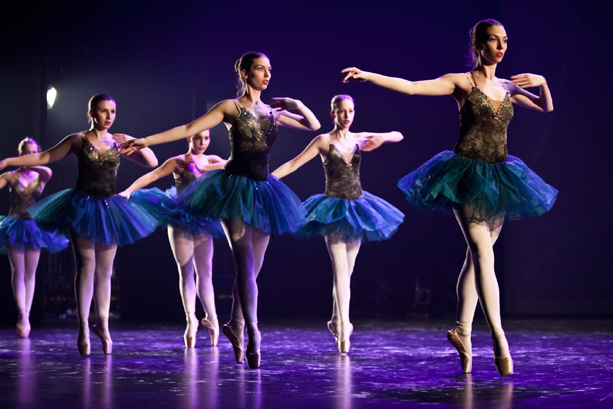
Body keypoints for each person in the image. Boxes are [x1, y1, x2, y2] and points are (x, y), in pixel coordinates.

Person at [342, 19, 557, 376]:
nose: (501, 46)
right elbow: (412, 87)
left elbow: (546, 107)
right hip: (465, 175)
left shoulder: (507, 86)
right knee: (482, 254)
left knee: (477, 259)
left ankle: (461, 330)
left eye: (505, 40)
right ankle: (500, 339)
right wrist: (369, 75)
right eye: (493, 40)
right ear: (478, 45)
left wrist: (544, 82)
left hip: (501, 175)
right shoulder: (462, 82)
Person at [121, 52, 321, 368]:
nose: (267, 74)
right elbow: (188, 128)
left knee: (253, 271)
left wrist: (296, 103)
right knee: (244, 263)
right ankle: (253, 331)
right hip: (233, 189)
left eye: (269, 69)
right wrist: (145, 139)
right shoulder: (231, 107)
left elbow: (314, 124)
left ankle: (235, 324)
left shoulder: (272, 111)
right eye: (259, 69)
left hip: (265, 191)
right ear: (244, 72)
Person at [0, 94, 159, 356]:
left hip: (109, 209)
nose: (109, 116)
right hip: (81, 207)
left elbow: (151, 162)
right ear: (92, 112)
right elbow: (45, 157)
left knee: (106, 272)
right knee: (86, 266)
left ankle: (103, 325)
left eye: (113, 111)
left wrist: (135, 141)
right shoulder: (78, 139)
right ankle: (84, 326)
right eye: (104, 111)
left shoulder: (118, 143)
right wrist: (9, 162)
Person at [272, 94, 404, 354]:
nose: (347, 116)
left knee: (347, 273)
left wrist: (382, 138)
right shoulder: (323, 141)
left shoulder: (358, 139)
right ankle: (344, 328)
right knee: (341, 273)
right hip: (332, 210)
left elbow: (398, 134)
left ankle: (335, 319)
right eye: (342, 111)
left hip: (357, 208)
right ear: (332, 114)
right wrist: (270, 179)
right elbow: (294, 163)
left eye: (351, 111)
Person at [119, 130, 226, 348]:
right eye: (197, 138)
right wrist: (129, 190)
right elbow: (152, 175)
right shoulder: (177, 162)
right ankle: (191, 320)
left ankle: (212, 319)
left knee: (205, 273)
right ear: (189, 139)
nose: (202, 142)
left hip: (205, 219)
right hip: (179, 218)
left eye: (206, 138)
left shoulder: (212, 160)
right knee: (185, 270)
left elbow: (233, 164)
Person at [0, 138, 69, 338]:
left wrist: (21, 160)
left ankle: (26, 315)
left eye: (33, 152)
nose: (28, 156)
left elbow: (46, 169)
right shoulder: (11, 176)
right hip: (14, 225)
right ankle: (21, 313)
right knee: (18, 271)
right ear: (20, 154)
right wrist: (10, 164)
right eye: (25, 152)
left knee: (30, 273)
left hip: (34, 227)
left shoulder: (43, 174)